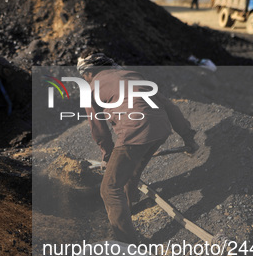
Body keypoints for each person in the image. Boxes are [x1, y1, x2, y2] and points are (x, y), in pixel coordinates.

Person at [77, 53, 198, 244]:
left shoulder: (90, 89)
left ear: (90, 72)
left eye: (84, 76)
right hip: (161, 129)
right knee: (131, 171)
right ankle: (126, 207)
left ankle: (127, 244)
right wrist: (188, 137)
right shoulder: (134, 76)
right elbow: (170, 107)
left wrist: (108, 155)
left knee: (109, 188)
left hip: (134, 132)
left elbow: (98, 129)